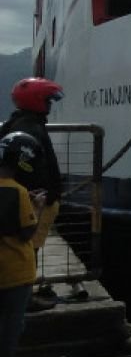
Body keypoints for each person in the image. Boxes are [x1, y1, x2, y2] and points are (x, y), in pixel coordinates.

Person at [0, 132, 42, 357]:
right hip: (15, 272)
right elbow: (27, 232)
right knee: (10, 329)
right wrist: (36, 207)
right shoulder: (18, 191)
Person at [3, 79, 64, 260]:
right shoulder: (30, 128)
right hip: (36, 202)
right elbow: (26, 167)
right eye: (48, 100)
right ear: (36, 100)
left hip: (31, 200)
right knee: (29, 250)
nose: (50, 105)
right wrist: (44, 194)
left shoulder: (19, 123)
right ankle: (26, 285)